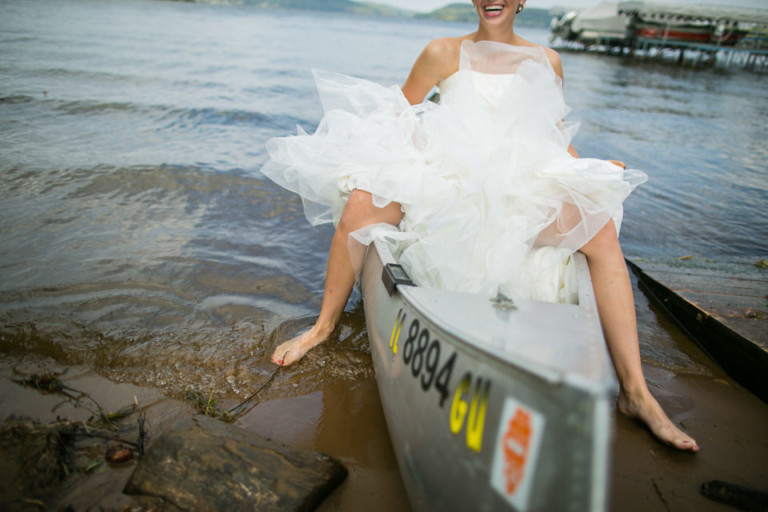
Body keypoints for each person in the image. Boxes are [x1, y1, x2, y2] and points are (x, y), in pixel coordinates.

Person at [260, 0, 699, 452]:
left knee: (599, 227)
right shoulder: (442, 51)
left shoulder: (547, 60)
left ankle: (635, 392)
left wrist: (586, 169)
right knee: (359, 204)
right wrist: (392, 164)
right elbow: (398, 116)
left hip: (517, 185)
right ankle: (323, 326)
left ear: (522, 0)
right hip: (449, 179)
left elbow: (552, 134)